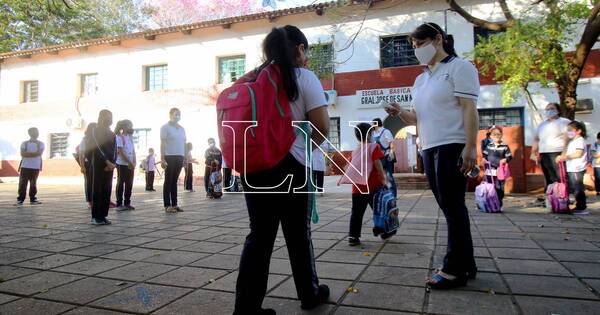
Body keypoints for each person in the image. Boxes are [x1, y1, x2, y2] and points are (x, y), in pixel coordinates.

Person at [233, 25, 330, 315]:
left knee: (259, 237)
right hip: (291, 167)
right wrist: (299, 152)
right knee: (298, 234)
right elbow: (322, 128)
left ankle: (246, 309)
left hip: (254, 167)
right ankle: (309, 294)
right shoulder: (304, 77)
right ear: (300, 49)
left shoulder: (252, 80)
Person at [385, 22, 479, 289]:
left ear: (438, 39)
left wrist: (470, 146)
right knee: (450, 207)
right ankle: (467, 264)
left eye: (420, 44)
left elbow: (469, 109)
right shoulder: (421, 79)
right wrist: (400, 112)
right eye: (414, 47)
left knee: (453, 206)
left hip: (452, 145)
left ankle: (453, 269)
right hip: (428, 146)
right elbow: (417, 117)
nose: (417, 51)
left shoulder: (460, 68)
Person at [347, 123, 388, 246]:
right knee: (378, 210)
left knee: (356, 213)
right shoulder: (373, 147)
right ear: (370, 134)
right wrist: (383, 179)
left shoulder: (355, 150)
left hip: (358, 188)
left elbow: (349, 167)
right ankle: (384, 231)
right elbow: (378, 164)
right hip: (373, 187)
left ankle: (353, 237)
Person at [531, 103, 571, 194]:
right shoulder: (542, 125)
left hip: (557, 153)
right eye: (547, 109)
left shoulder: (564, 122)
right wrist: (533, 153)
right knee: (548, 177)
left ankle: (562, 198)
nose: (549, 111)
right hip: (544, 154)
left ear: (558, 110)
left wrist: (564, 153)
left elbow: (568, 137)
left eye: (552, 108)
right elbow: (536, 139)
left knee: (560, 176)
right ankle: (551, 198)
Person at [87, 110, 116, 225]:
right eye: (107, 116)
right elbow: (96, 148)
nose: (109, 119)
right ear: (100, 117)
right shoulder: (94, 131)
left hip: (110, 167)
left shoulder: (112, 133)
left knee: (106, 191)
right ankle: (95, 217)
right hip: (98, 165)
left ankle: (103, 216)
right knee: (97, 191)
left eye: (111, 116)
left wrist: (113, 163)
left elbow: (115, 150)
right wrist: (106, 162)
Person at [556, 121, 588, 214]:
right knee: (574, 188)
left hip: (577, 168)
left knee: (578, 189)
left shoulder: (580, 141)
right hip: (572, 168)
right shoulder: (572, 141)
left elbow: (578, 154)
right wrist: (561, 157)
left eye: (571, 130)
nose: (568, 132)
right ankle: (578, 206)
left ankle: (582, 207)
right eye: (568, 130)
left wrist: (564, 157)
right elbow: (566, 152)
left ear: (579, 131)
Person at [160, 107, 186, 213]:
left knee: (174, 181)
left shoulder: (182, 128)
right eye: (175, 114)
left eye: (179, 114)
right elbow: (162, 143)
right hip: (169, 156)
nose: (177, 116)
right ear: (170, 115)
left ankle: (175, 204)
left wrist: (185, 157)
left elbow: (184, 143)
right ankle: (167, 205)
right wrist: (162, 158)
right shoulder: (165, 127)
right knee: (168, 181)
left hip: (179, 156)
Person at [482, 126, 512, 210]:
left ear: (501, 135)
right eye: (494, 134)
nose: (496, 136)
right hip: (489, 171)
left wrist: (505, 159)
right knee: (489, 188)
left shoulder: (505, 146)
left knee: (499, 189)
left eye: (498, 134)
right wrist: (483, 159)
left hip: (500, 172)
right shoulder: (489, 146)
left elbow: (509, 157)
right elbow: (484, 155)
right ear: (491, 136)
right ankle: (489, 203)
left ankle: (499, 204)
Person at [15, 127, 45, 206]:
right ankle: (20, 200)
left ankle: (33, 199)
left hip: (35, 167)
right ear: (30, 133)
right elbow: (22, 154)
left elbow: (39, 153)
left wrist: (28, 154)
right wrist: (34, 154)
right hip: (25, 166)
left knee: (33, 184)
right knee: (22, 184)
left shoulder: (41, 144)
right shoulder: (24, 143)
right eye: (35, 132)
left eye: (37, 132)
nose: (36, 133)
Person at [371, 118, 397, 197]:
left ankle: (393, 194)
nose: (371, 125)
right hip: (378, 158)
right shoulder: (373, 133)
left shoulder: (385, 131)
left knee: (389, 176)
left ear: (376, 124)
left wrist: (391, 152)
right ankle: (384, 194)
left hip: (386, 156)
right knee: (380, 176)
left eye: (372, 123)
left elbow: (391, 143)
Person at [79, 123, 97, 209]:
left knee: (97, 183)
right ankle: (90, 201)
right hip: (88, 164)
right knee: (89, 183)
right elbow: (81, 154)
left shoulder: (98, 139)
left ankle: (97, 199)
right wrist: (82, 167)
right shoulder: (85, 140)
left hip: (97, 164)